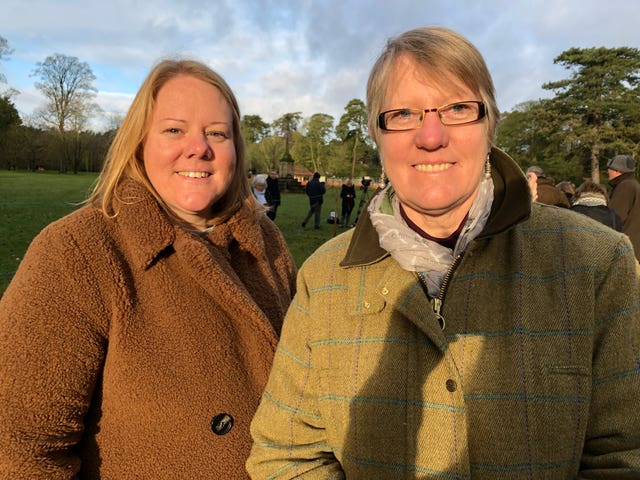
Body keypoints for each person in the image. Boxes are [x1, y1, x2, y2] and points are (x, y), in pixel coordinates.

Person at [247, 26, 640, 479]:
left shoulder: (594, 262)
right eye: (403, 114)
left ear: (490, 124)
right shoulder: (325, 276)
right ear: (378, 135)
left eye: (457, 108)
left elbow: (625, 454)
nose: (430, 136)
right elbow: (286, 456)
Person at [0, 59, 297, 479]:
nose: (199, 147)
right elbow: (18, 450)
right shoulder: (78, 251)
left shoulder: (266, 243)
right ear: (139, 142)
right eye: (174, 129)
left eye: (217, 132)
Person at [607, 154, 640, 260]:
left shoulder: (625, 186)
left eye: (610, 168)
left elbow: (614, 218)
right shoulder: (634, 185)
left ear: (617, 170)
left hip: (626, 249)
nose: (608, 171)